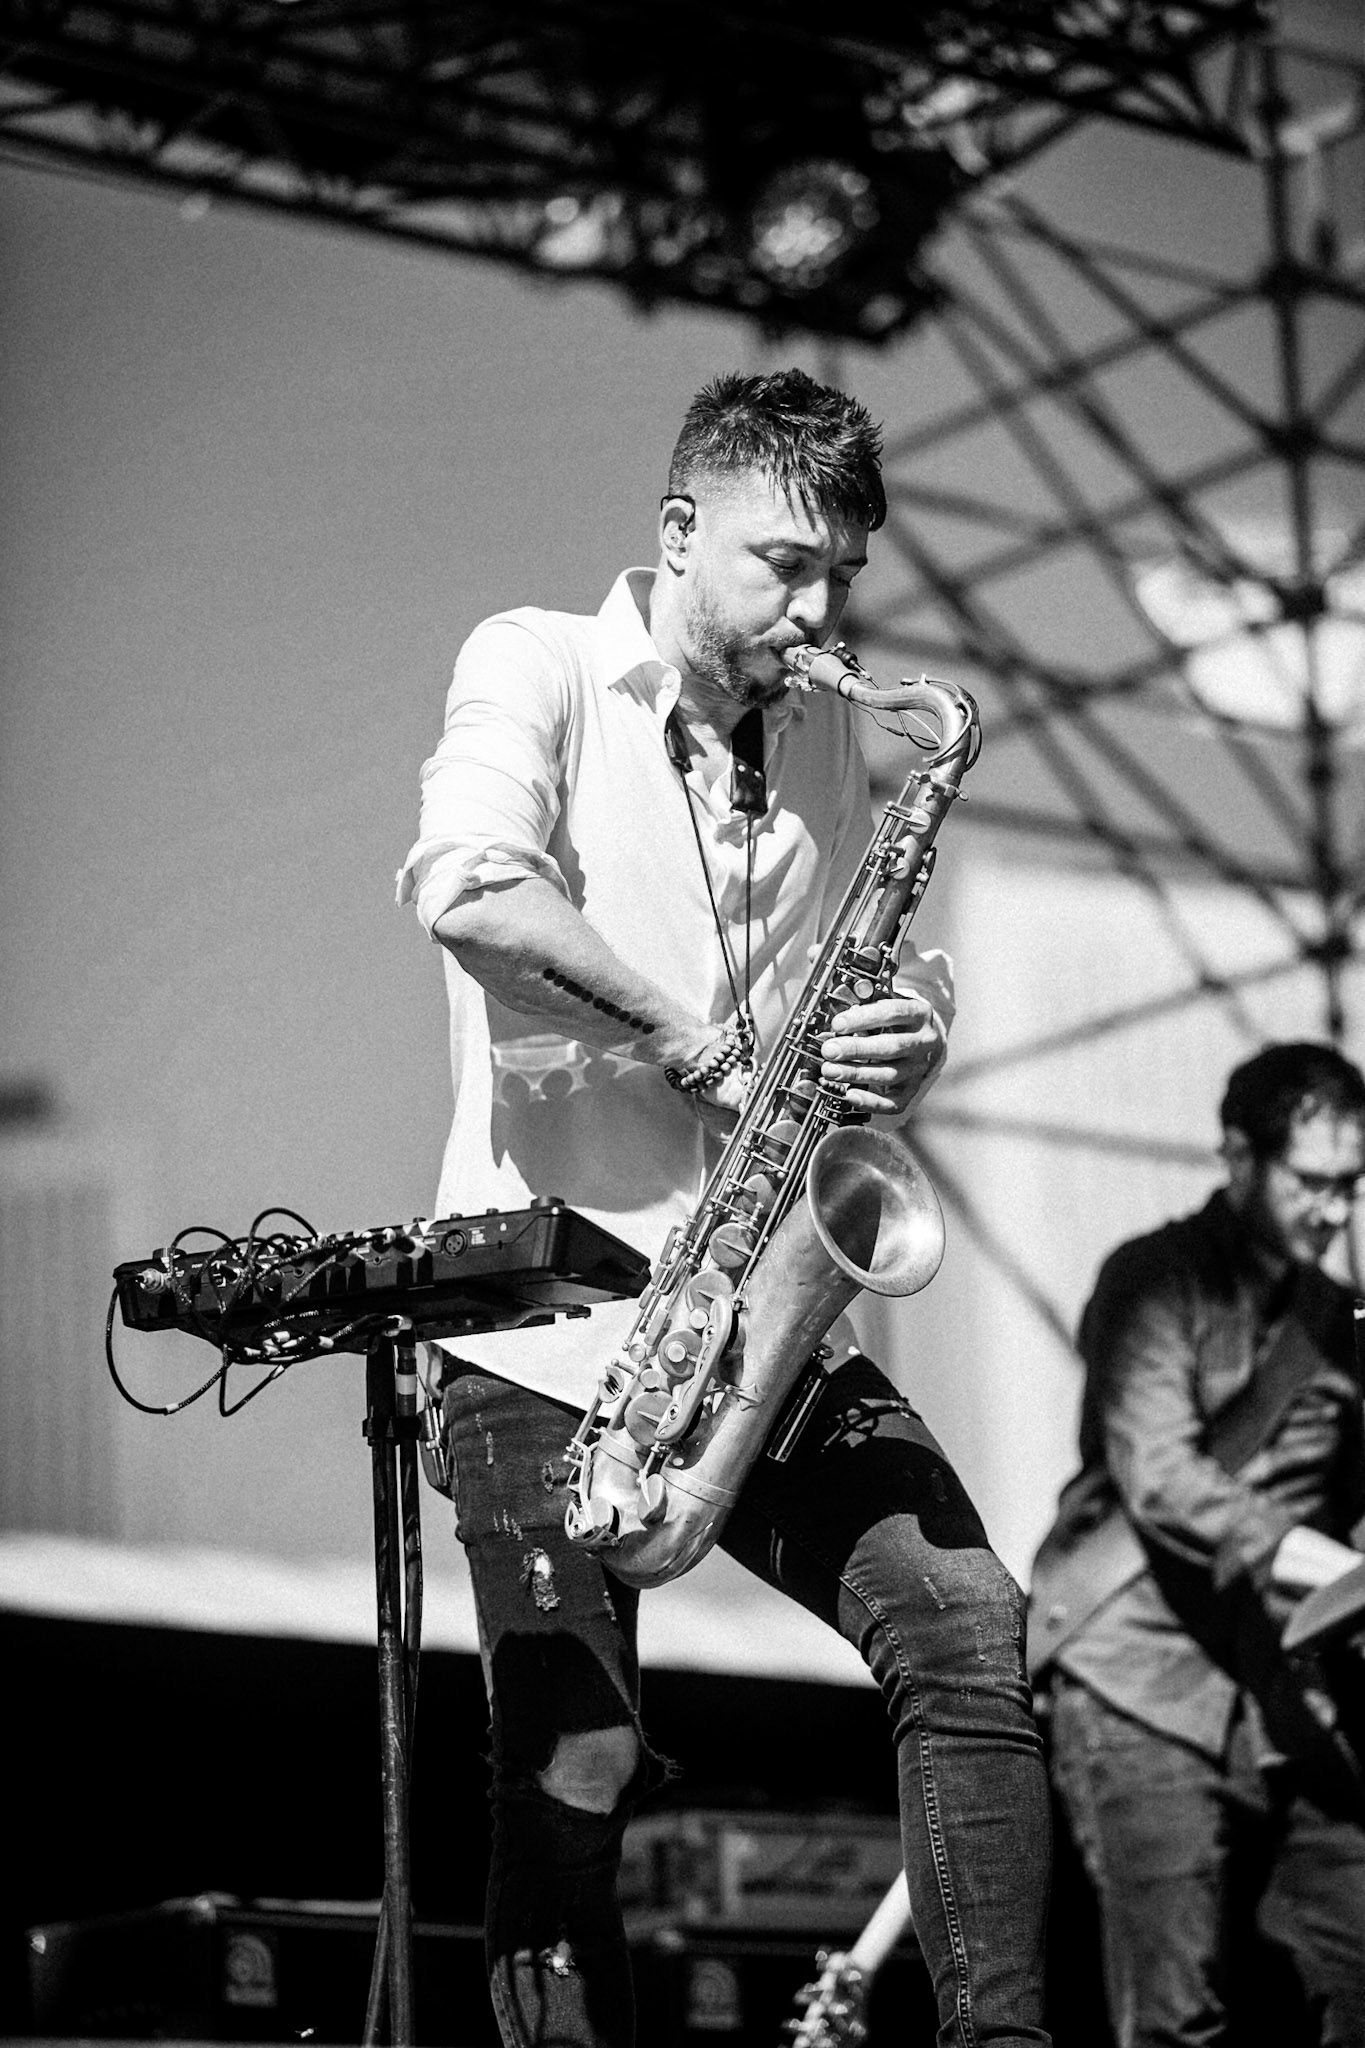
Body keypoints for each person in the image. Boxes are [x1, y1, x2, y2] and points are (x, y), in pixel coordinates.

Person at [398, 367, 1052, 2048]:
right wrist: (689, 1033)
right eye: (784, 564)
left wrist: (906, 1035)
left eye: (846, 573)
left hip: (749, 1294)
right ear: (681, 529)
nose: (821, 612)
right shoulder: (535, 657)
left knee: (971, 1624)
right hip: (540, 1331)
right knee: (578, 1767)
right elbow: (469, 888)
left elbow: (837, 1024)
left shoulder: (844, 737)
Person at [1029, 1041, 1365, 2048]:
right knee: (1174, 2022)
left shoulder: (1341, 1322)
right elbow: (1163, 1478)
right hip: (1138, 1679)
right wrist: (1333, 1567)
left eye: (1353, 1187)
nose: (1337, 1213)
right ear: (1238, 1156)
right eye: (1313, 1182)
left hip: (1281, 1692)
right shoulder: (1153, 1277)